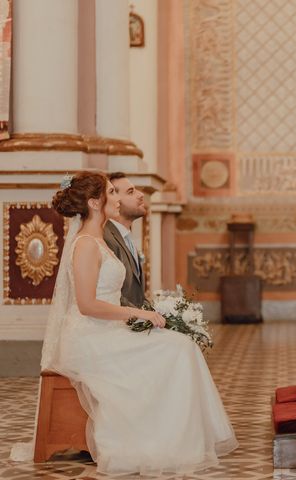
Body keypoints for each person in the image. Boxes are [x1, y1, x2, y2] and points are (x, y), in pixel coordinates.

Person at [38, 171, 237, 475]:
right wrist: (140, 315)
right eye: (111, 192)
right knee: (177, 350)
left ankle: (176, 438)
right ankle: (161, 442)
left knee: (180, 347)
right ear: (94, 203)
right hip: (89, 337)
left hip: (105, 330)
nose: (117, 198)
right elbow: (88, 305)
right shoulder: (86, 245)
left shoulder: (97, 239)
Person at [103, 172, 147, 308]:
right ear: (114, 200)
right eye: (131, 192)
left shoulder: (125, 236)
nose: (140, 195)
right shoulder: (106, 238)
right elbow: (110, 295)